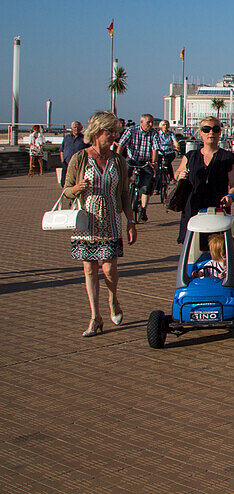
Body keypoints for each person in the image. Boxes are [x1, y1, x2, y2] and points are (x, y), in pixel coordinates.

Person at [62, 111, 137, 337]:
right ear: (96, 132)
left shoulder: (118, 160)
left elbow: (124, 193)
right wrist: (75, 189)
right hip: (86, 221)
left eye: (115, 131)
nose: (113, 136)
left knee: (109, 269)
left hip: (110, 220)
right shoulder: (80, 158)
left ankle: (113, 298)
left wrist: (131, 221)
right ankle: (95, 317)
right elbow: (66, 191)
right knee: (89, 269)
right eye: (109, 131)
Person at [174, 116, 234, 245]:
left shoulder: (228, 158)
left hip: (217, 209)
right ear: (200, 132)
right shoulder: (191, 156)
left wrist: (230, 196)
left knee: (216, 251)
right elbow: (177, 173)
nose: (211, 133)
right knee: (192, 253)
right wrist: (180, 175)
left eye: (215, 129)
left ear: (220, 132)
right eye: (206, 129)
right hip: (192, 209)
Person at [117, 114, 158, 222]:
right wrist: (117, 159)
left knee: (146, 186)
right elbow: (121, 145)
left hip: (145, 161)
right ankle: (124, 192)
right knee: (125, 174)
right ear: (141, 122)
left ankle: (143, 210)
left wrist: (154, 162)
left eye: (151, 122)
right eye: (148, 122)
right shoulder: (131, 131)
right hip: (132, 160)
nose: (150, 124)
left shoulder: (153, 133)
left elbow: (155, 149)